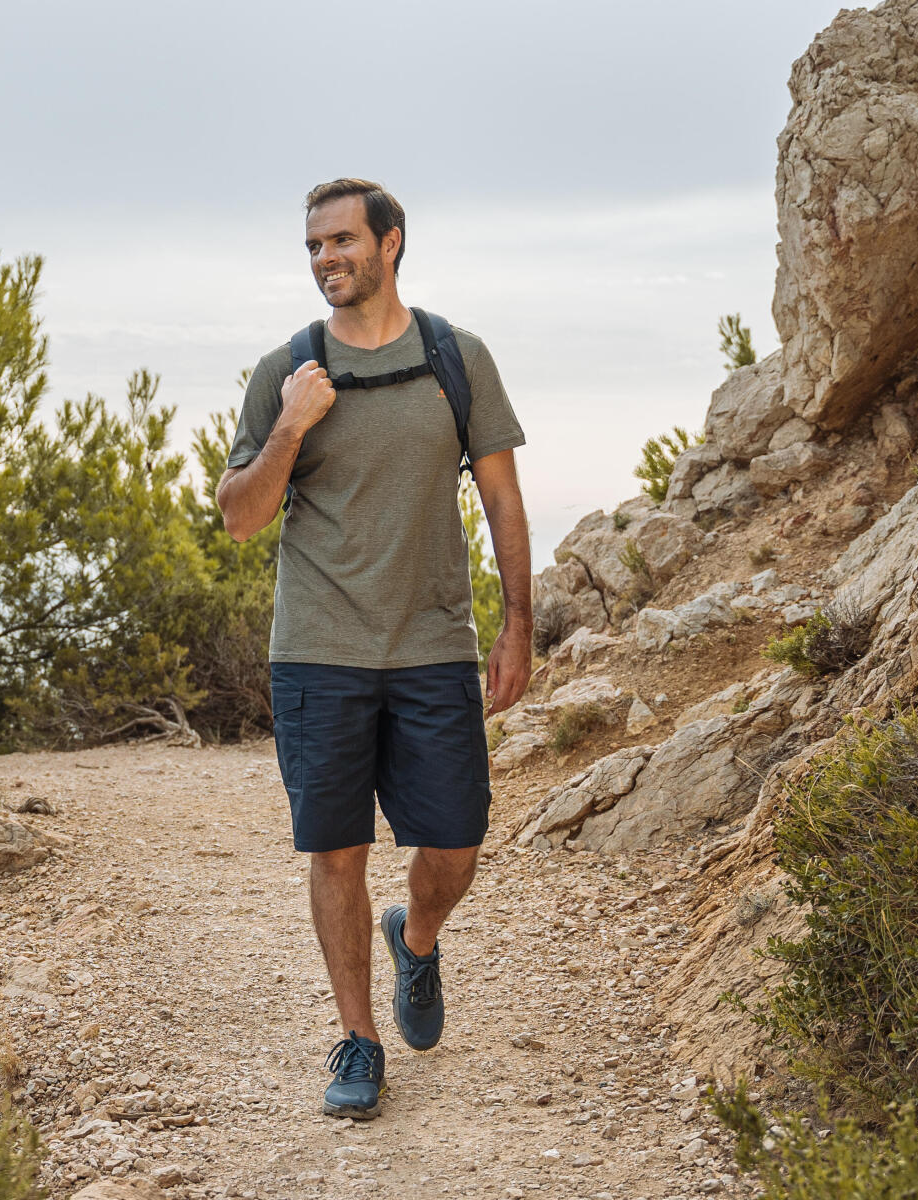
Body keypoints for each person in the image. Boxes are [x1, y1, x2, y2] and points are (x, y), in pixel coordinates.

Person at [215, 178, 532, 1120]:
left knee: (457, 840)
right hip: (318, 649)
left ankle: (419, 938)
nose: (325, 260)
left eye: (342, 241)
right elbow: (238, 519)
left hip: (435, 642)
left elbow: (506, 500)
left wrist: (519, 623)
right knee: (337, 851)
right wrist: (290, 426)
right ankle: (357, 1041)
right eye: (314, 246)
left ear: (392, 243)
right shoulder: (287, 370)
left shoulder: (455, 358)